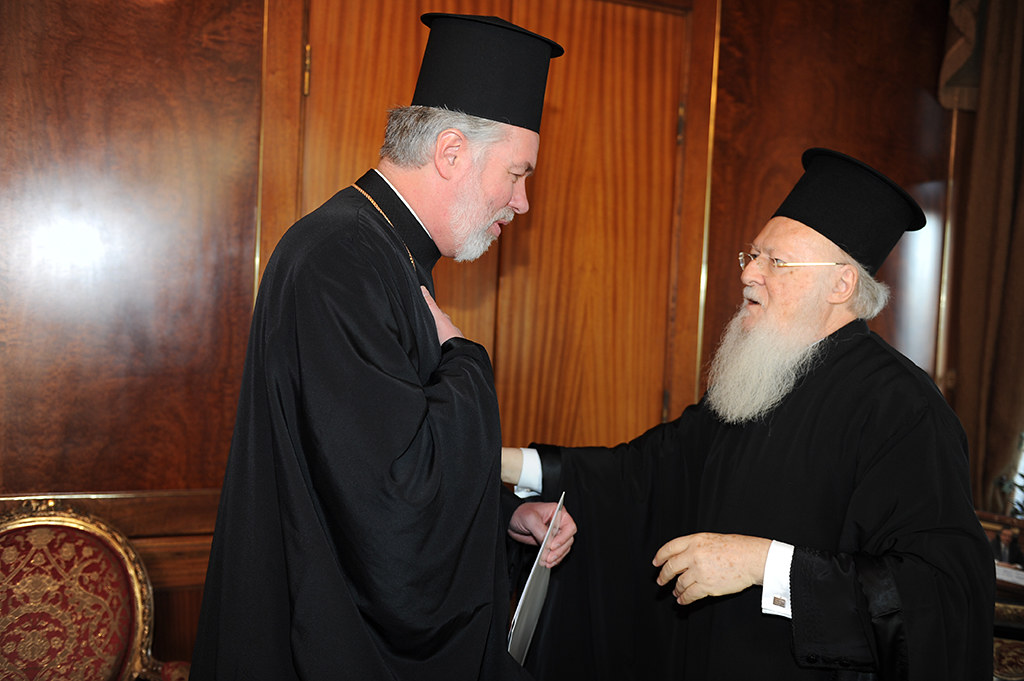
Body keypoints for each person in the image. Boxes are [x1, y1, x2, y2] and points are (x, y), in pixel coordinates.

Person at [492, 149, 995, 680]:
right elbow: (645, 474)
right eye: (751, 256)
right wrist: (493, 459)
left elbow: (938, 595)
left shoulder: (903, 409)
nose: (749, 274)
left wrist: (765, 565)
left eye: (775, 262)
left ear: (841, 285)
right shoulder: (761, 376)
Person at [190, 13, 576, 681]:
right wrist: (467, 364)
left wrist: (502, 514)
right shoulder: (342, 260)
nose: (522, 202)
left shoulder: (380, 250)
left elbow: (367, 463)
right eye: (517, 174)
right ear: (451, 152)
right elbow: (394, 509)